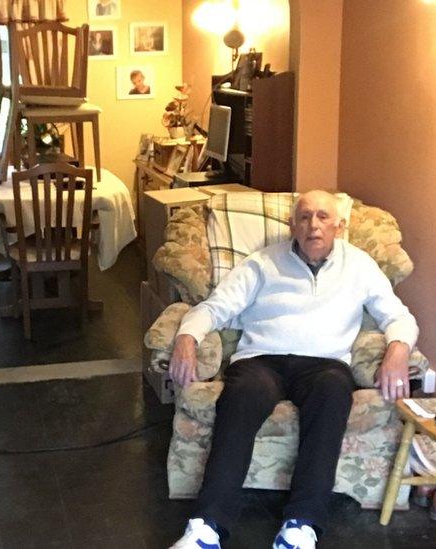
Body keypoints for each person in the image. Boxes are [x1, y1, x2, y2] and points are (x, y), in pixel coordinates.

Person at [168, 190, 418, 549]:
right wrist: (187, 338)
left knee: (334, 394)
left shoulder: (360, 266)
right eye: (304, 217)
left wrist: (397, 349)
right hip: (262, 361)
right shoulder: (262, 263)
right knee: (240, 398)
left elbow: (398, 316)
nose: (313, 225)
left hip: (325, 366)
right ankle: (207, 526)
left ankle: (301, 526)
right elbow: (216, 306)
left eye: (322, 217)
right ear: (292, 224)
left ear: (339, 225)